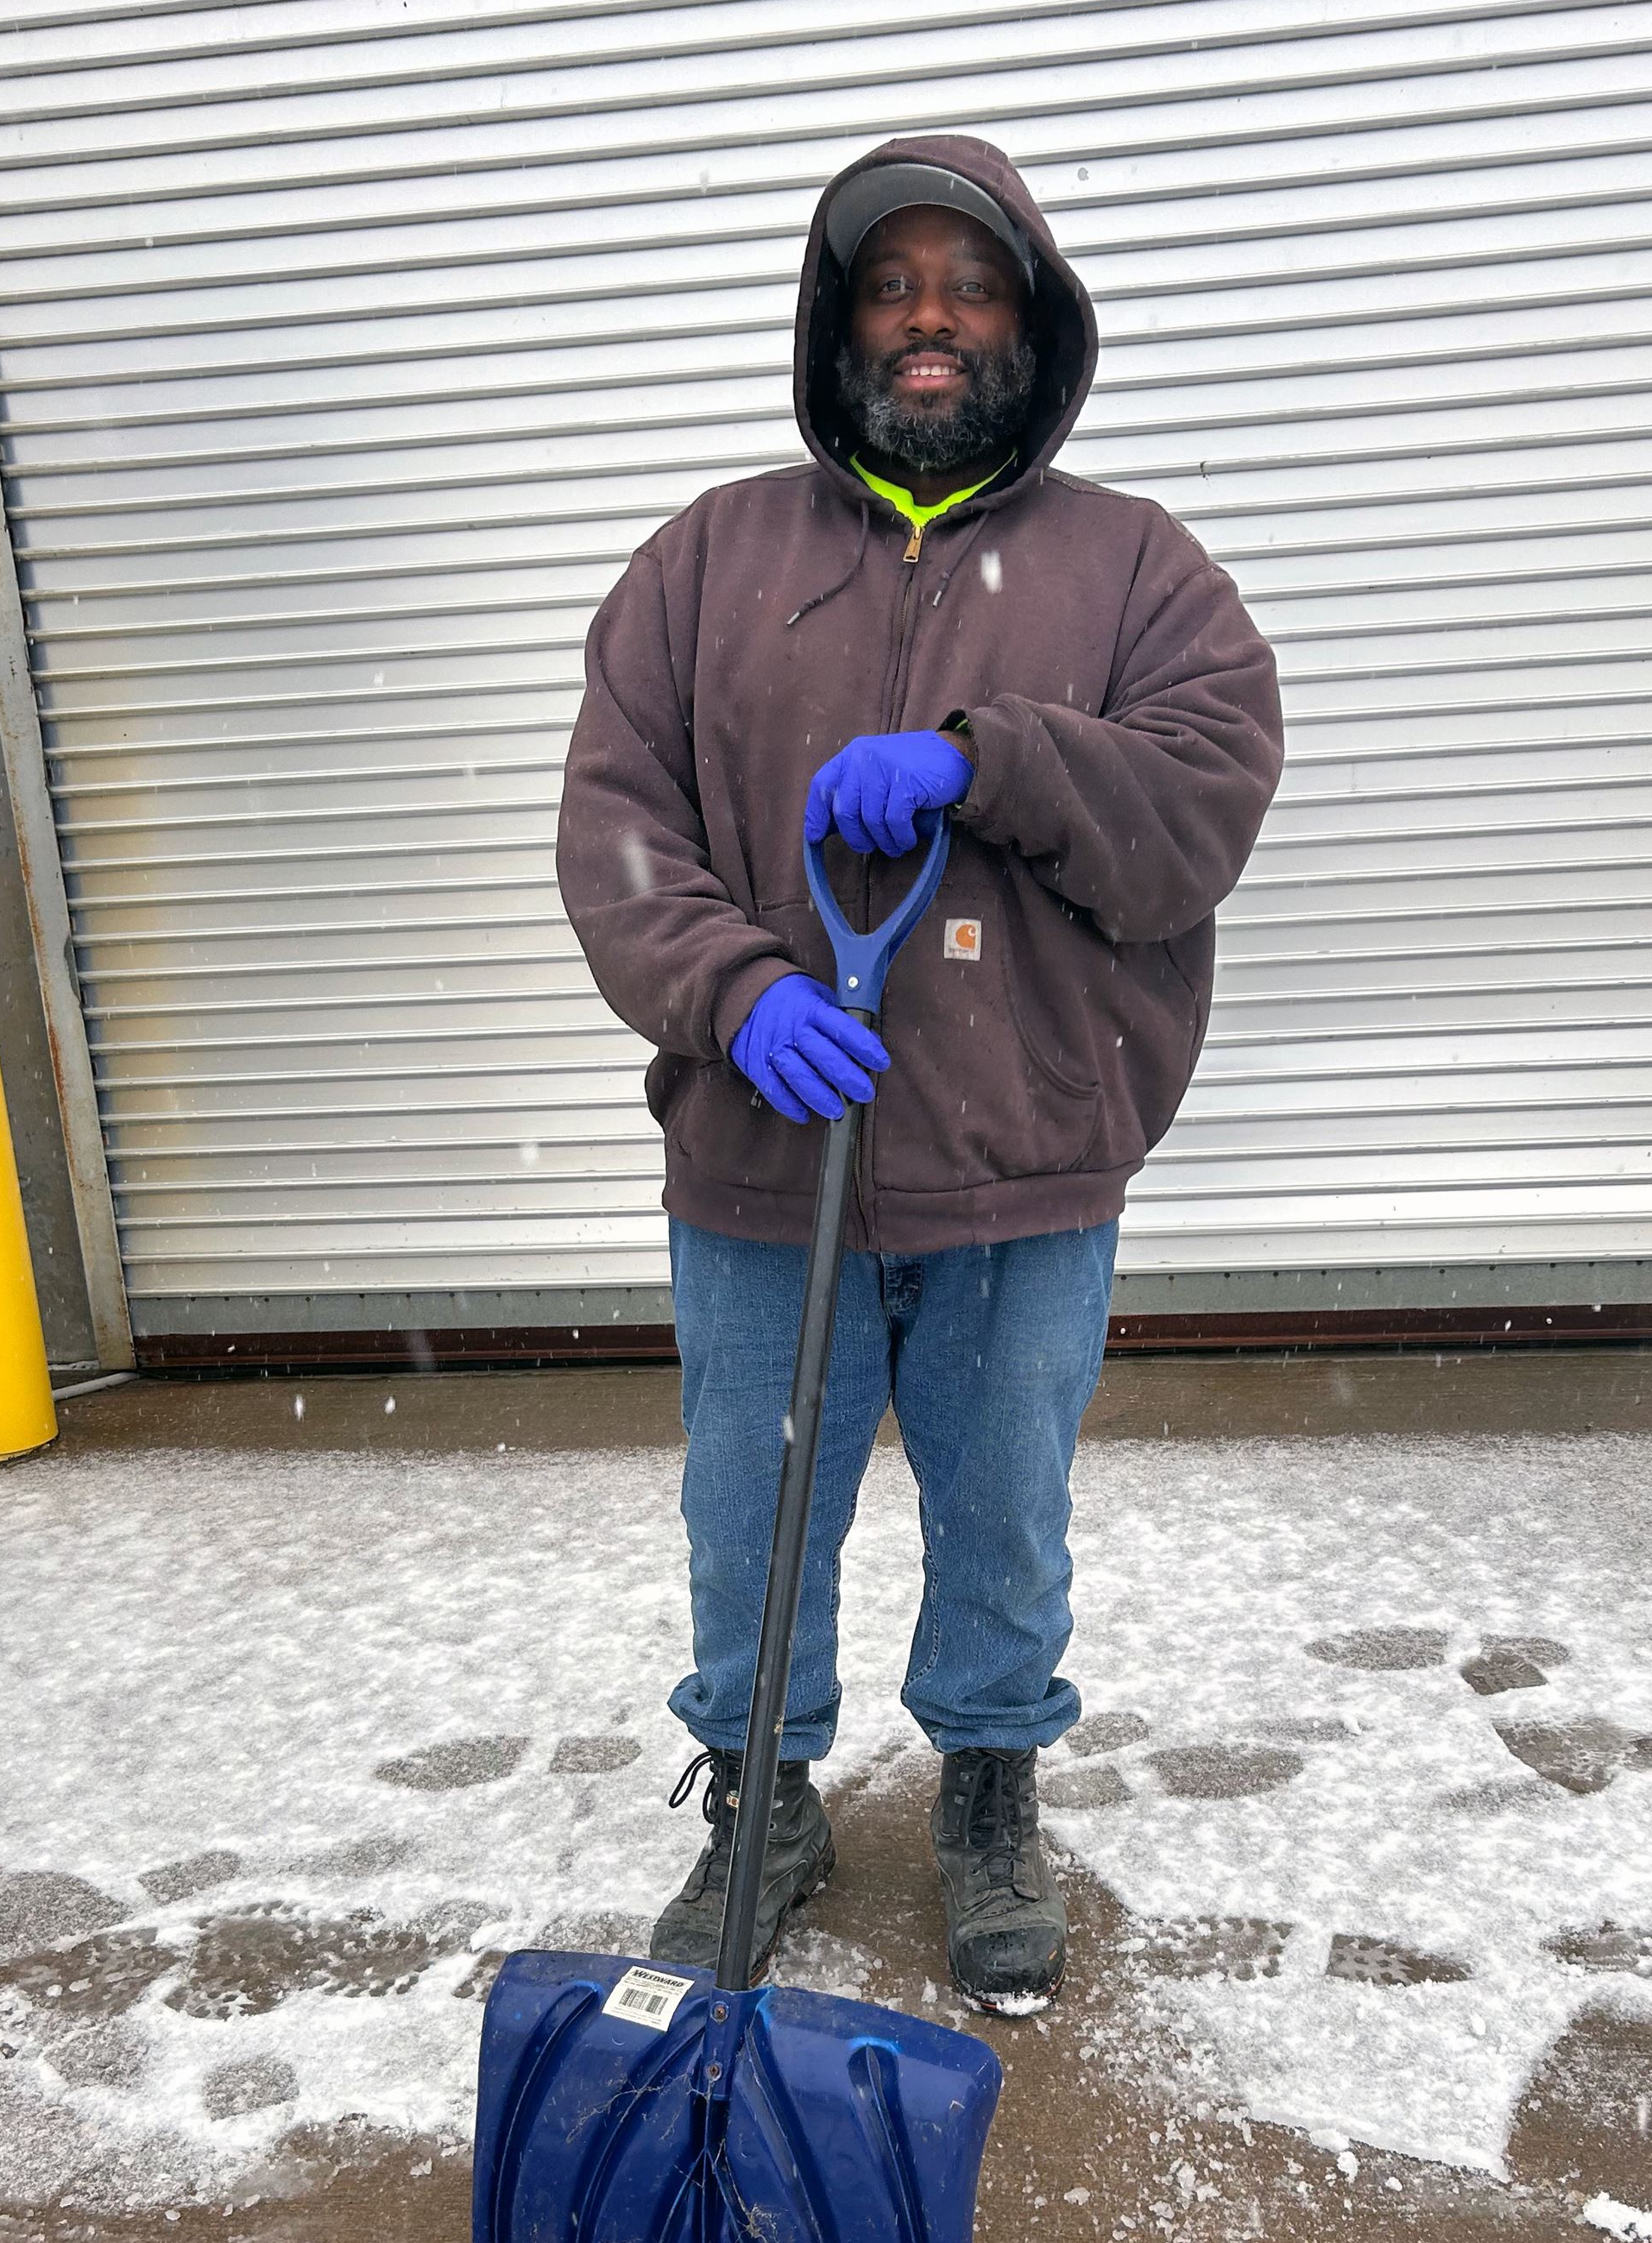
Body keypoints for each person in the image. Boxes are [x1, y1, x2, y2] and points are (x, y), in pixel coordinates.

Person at [556, 134, 1282, 2011]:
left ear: (1029, 326)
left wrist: (995, 760)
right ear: (839, 323)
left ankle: (987, 1785)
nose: (931, 319)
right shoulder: (709, 559)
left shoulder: (1138, 571)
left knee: (1003, 1505)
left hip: (1026, 1159)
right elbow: (616, 826)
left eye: (970, 286)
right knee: (752, 1511)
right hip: (758, 1157)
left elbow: (1199, 811)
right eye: (893, 286)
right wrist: (731, 991)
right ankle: (765, 1796)